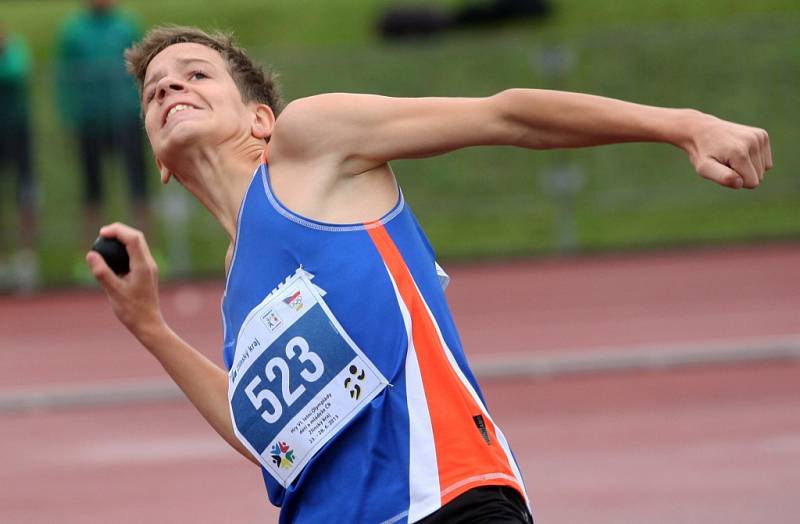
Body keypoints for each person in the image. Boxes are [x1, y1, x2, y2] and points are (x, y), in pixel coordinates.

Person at [86, 26, 772, 524]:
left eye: (195, 73)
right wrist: (151, 328)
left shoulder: (308, 145)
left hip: (443, 504)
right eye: (154, 90)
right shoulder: (240, 282)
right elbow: (273, 445)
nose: (170, 85)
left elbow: (505, 115)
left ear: (259, 118)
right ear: (160, 161)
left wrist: (684, 124)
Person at [55, 0, 148, 244]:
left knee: (138, 185)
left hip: (126, 116)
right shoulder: (74, 31)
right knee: (92, 190)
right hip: (91, 120)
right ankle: (94, 250)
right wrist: (69, 115)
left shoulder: (126, 26)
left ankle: (146, 245)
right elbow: (65, 76)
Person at [0, 26, 38, 292]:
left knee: (26, 193)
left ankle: (26, 258)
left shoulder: (16, 50)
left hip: (19, 134)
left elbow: (17, 70)